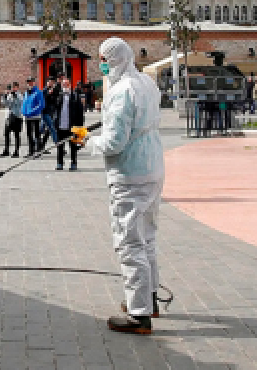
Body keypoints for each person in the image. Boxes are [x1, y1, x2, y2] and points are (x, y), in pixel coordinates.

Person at [91, 37, 164, 335]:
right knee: (147, 238)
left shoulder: (121, 91)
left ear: (115, 59)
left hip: (130, 173)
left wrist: (88, 141)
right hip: (153, 168)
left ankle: (138, 314)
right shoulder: (145, 83)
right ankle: (149, 299)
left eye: (104, 59)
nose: (102, 65)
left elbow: (114, 143)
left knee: (129, 242)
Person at [55, 78, 85, 171]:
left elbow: (80, 112)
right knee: (60, 146)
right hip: (61, 125)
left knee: (73, 146)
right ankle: (60, 163)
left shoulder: (75, 96)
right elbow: (55, 110)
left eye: (67, 85)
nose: (65, 86)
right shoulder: (59, 96)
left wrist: (79, 126)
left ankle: (73, 162)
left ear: (70, 85)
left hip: (72, 126)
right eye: (63, 85)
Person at [22, 77, 44, 154]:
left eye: (31, 82)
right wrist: (23, 111)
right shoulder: (26, 92)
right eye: (28, 82)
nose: (29, 84)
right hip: (27, 117)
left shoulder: (38, 92)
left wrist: (32, 111)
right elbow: (24, 103)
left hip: (35, 116)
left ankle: (38, 150)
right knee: (29, 134)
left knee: (37, 134)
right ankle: (31, 151)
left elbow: (41, 105)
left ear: (34, 83)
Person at [1, 82, 24, 158]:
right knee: (6, 133)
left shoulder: (19, 95)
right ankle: (6, 150)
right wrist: (4, 96)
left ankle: (16, 151)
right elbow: (6, 104)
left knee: (16, 134)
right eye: (12, 88)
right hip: (9, 117)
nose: (13, 89)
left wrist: (15, 97)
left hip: (17, 117)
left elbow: (19, 104)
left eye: (14, 87)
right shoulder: (9, 95)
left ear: (17, 88)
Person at [42, 77, 61, 146]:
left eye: (52, 82)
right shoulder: (44, 90)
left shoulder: (54, 90)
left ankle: (41, 145)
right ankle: (57, 143)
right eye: (50, 82)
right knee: (49, 128)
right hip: (44, 112)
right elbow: (43, 100)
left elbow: (55, 100)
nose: (51, 84)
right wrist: (48, 94)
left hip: (51, 112)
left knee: (50, 128)